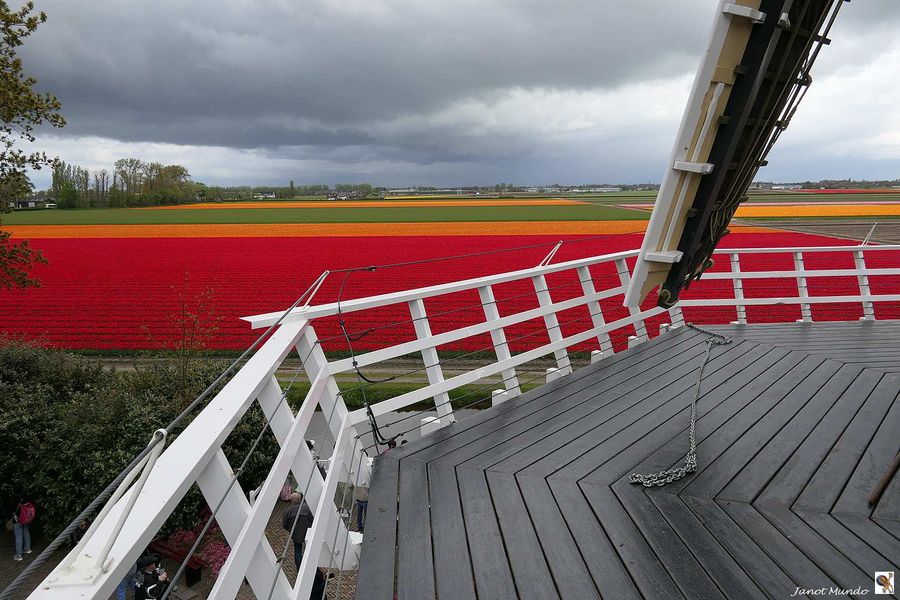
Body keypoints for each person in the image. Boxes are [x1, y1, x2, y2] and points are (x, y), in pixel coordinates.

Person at [281, 493, 314, 571]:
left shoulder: (287, 511)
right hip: (307, 533)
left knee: (297, 550)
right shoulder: (307, 508)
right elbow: (313, 520)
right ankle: (310, 566)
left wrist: (291, 530)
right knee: (309, 550)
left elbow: (284, 524)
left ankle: (299, 568)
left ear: (291, 500)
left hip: (295, 534)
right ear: (300, 499)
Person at [8, 495, 34, 561]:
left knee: (18, 536)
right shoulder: (25, 497)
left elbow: (10, 510)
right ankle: (27, 549)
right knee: (26, 533)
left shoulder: (13, 499)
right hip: (25, 519)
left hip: (17, 521)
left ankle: (19, 555)